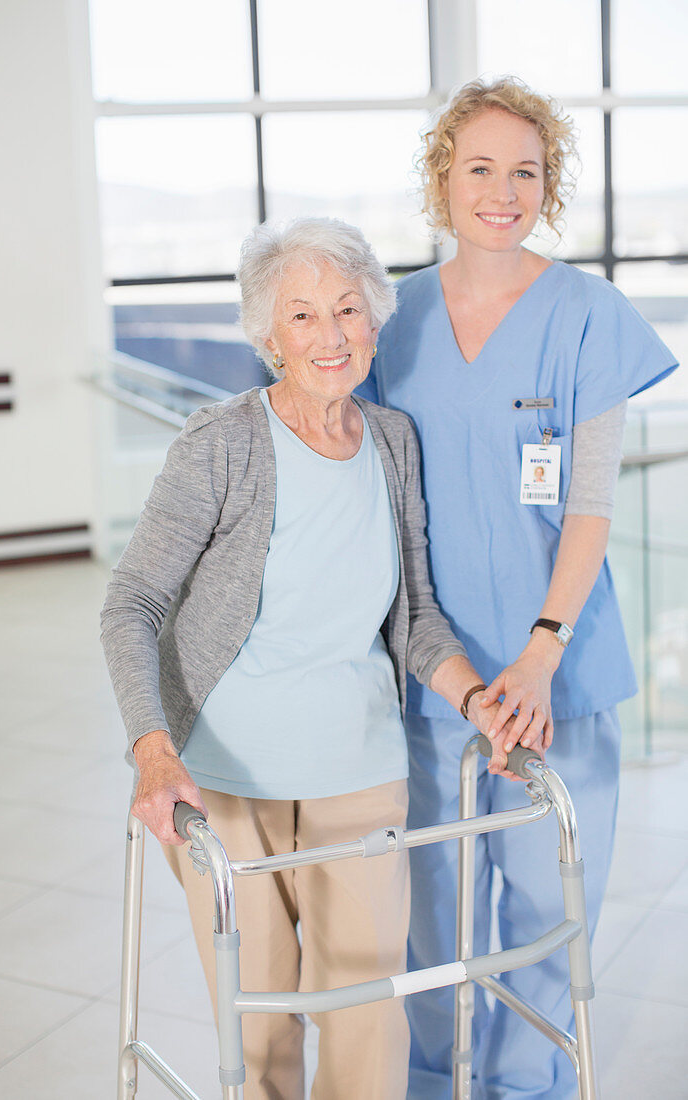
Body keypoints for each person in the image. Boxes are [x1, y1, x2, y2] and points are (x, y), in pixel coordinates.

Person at [101, 217, 531, 1100]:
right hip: (222, 784)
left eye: (348, 310)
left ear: (377, 322)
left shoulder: (393, 441)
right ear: (269, 336)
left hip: (359, 773)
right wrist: (152, 750)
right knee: (256, 1031)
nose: (330, 336)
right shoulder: (220, 444)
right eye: (302, 316)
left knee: (367, 1020)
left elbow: (416, 620)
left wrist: (476, 700)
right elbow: (133, 603)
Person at [357, 77, 678, 1100]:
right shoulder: (389, 317)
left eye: (526, 170)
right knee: (432, 914)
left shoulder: (587, 314)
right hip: (433, 672)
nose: (503, 190)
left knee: (541, 913)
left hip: (558, 671)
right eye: (480, 167)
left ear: (552, 183)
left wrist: (541, 653)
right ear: (442, 177)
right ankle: (428, 1080)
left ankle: (525, 1085)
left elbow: (588, 506)